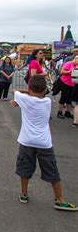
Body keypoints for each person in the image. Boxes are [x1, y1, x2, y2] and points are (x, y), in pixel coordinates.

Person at [10, 75, 76, 211]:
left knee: (24, 168)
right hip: (44, 143)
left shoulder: (24, 99)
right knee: (52, 170)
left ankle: (23, 194)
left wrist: (18, 101)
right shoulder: (46, 102)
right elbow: (35, 94)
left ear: (29, 88)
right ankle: (59, 199)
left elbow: (15, 91)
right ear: (45, 89)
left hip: (26, 141)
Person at [57, 55, 78, 119]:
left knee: (69, 98)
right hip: (65, 82)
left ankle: (67, 112)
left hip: (73, 83)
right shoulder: (68, 63)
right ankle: (60, 112)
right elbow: (62, 72)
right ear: (75, 59)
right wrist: (69, 72)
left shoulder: (76, 65)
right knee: (63, 97)